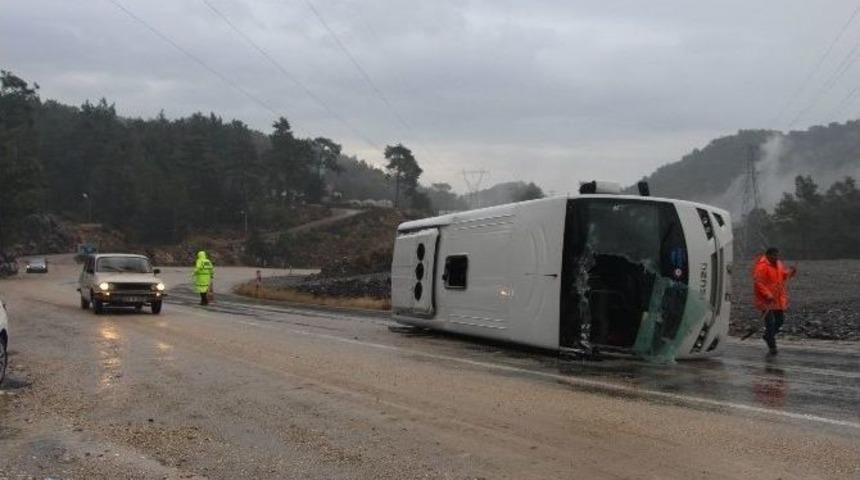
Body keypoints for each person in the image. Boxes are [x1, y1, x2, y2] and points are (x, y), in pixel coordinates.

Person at [752, 247, 797, 355]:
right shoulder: (762, 266)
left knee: (780, 320)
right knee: (770, 323)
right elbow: (758, 282)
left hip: (777, 298)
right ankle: (772, 346)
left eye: (777, 255)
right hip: (766, 300)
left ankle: (768, 336)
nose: (776, 257)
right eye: (774, 255)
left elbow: (783, 276)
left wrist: (791, 272)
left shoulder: (778, 264)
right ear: (768, 255)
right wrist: (767, 294)